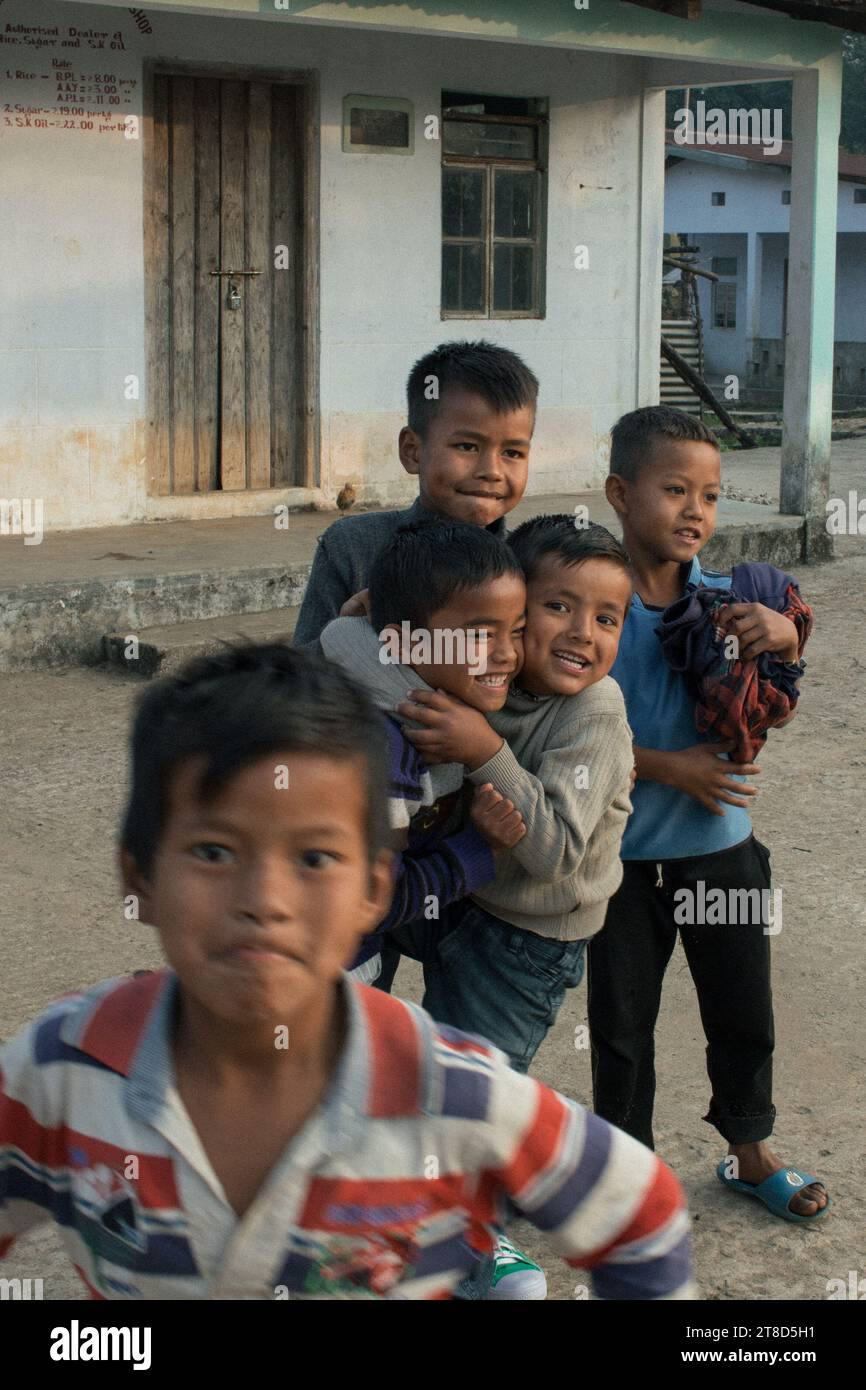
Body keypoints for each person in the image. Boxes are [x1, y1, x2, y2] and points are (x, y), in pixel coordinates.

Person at [0, 645, 696, 1300]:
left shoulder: (451, 1096)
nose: (264, 904)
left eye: (314, 859)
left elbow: (637, 1208)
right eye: (213, 851)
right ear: (139, 876)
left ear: (374, 889)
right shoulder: (62, 1071)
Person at [587, 405, 831, 1224]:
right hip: (619, 864)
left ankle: (750, 1147)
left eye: (713, 495)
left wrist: (787, 642)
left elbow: (776, 705)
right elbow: (549, 735)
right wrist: (671, 768)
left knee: (742, 1007)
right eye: (675, 489)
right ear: (620, 493)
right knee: (622, 1027)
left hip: (722, 849)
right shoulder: (588, 614)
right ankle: (625, 1171)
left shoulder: (729, 606)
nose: (696, 510)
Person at [293, 339, 538, 645]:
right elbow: (297, 680)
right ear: (412, 451)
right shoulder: (354, 547)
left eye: (513, 453)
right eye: (466, 446)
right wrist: (346, 639)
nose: (492, 470)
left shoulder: (529, 562)